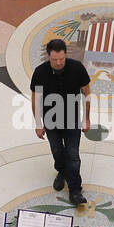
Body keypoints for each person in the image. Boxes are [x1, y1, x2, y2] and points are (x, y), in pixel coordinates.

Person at [31, 37, 92, 205]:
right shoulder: (40, 72)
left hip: (72, 119)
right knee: (57, 151)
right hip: (50, 120)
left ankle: (75, 190)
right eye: (54, 60)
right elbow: (35, 99)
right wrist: (38, 124)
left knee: (73, 155)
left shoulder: (77, 68)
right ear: (48, 57)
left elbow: (86, 94)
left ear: (66, 55)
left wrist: (87, 118)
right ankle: (61, 171)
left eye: (61, 59)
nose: (58, 63)